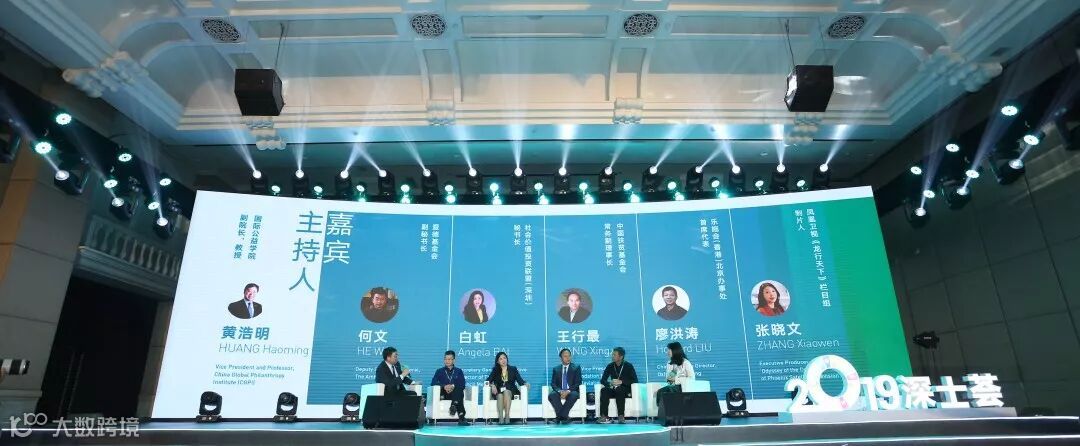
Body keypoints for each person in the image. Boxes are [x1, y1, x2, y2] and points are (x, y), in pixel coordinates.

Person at [598, 347, 638, 424]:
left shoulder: (628, 366)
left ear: (621, 356)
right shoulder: (610, 366)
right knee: (604, 390)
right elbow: (602, 380)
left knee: (620, 389)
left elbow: (634, 380)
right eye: (612, 354)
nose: (612, 356)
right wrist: (610, 383)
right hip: (613, 388)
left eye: (614, 355)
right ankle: (604, 416)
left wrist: (622, 382)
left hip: (625, 389)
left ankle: (621, 416)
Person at [487, 352, 527, 425]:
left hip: (511, 391)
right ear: (498, 361)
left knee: (506, 391)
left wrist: (526, 384)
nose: (503, 360)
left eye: (504, 358)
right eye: (501, 359)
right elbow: (487, 381)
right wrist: (492, 385)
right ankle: (501, 418)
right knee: (500, 395)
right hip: (499, 391)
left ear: (507, 359)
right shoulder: (495, 370)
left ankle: (507, 416)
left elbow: (520, 381)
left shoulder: (513, 369)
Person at [431, 350, 470, 426]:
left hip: (455, 393)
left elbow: (462, 384)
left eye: (449, 359)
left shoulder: (459, 371)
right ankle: (461, 417)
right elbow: (433, 383)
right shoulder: (439, 371)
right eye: (445, 359)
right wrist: (444, 386)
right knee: (459, 395)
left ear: (454, 360)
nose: (447, 361)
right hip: (444, 394)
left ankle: (453, 406)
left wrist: (452, 386)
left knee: (459, 389)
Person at [655, 342, 695, 411]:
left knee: (669, 390)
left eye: (669, 350)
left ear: (674, 351)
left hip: (684, 387)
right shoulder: (669, 363)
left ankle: (671, 410)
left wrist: (678, 380)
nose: (667, 352)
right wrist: (673, 372)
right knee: (660, 391)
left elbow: (692, 378)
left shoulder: (685, 362)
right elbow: (669, 381)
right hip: (673, 386)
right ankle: (662, 411)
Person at [547, 348, 582, 424]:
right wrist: (560, 391)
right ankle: (565, 417)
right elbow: (553, 384)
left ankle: (559, 417)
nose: (568, 358)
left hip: (572, 391)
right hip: (560, 390)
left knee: (574, 395)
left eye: (569, 356)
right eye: (565, 356)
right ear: (561, 358)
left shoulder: (576, 367)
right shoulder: (556, 369)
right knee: (552, 395)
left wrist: (568, 391)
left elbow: (578, 382)